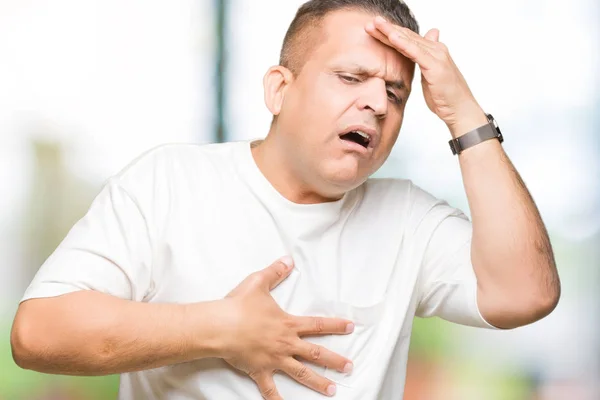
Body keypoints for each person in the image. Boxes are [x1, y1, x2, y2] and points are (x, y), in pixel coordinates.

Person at [10, 0, 561, 399]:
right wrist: (222, 328)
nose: (376, 103)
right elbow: (39, 334)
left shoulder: (409, 219)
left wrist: (464, 114)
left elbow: (525, 295)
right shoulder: (169, 181)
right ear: (279, 89)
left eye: (396, 94)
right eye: (351, 77)